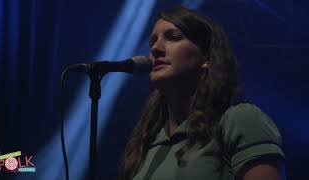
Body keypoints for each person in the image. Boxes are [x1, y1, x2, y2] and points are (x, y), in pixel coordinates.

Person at [118, 6, 286, 180]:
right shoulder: (147, 140)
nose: (155, 48)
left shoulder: (238, 120)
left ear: (206, 57)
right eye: (152, 41)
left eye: (173, 37)